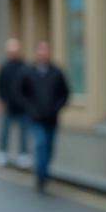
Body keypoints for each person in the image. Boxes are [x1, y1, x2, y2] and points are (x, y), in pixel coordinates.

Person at [15, 40, 70, 192]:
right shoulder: (28, 72)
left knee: (50, 148)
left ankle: (44, 170)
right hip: (36, 118)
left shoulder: (57, 72)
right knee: (41, 143)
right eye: (40, 50)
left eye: (46, 50)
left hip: (52, 118)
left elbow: (65, 93)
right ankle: (41, 177)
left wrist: (57, 107)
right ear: (36, 52)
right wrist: (30, 109)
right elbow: (20, 93)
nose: (43, 53)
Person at [0, 38, 31, 166]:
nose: (13, 53)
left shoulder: (25, 67)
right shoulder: (4, 67)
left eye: (15, 50)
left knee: (24, 132)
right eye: (11, 50)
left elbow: (30, 86)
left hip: (23, 107)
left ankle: (23, 154)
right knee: (4, 131)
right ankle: (2, 153)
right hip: (8, 105)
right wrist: (0, 100)